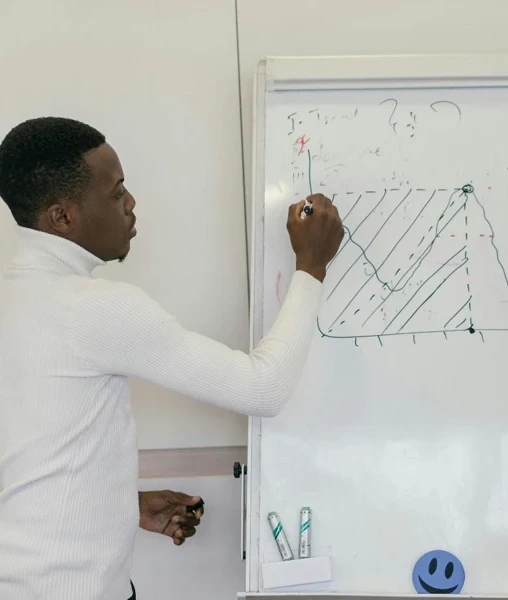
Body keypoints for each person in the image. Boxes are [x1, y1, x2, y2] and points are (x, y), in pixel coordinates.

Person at [0, 117, 343, 599]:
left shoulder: (13, 301)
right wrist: (312, 266)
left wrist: (122, 504)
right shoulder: (94, 308)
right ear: (62, 217)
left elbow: (30, 451)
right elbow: (263, 388)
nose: (131, 202)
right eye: (116, 191)